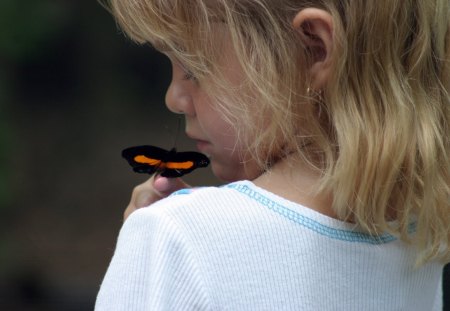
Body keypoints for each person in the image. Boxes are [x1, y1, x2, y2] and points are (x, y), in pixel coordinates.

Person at [96, 0, 450, 310]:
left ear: (312, 48)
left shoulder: (174, 238)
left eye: (195, 66)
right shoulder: (420, 239)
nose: (173, 98)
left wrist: (151, 262)